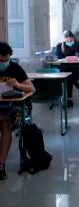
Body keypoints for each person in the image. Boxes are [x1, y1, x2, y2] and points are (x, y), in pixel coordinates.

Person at [0, 42, 35, 180]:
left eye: (6, 60)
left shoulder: (14, 68)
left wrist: (17, 84)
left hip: (14, 108)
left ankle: (1, 165)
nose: (4, 63)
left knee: (5, 122)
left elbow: (32, 89)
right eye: (1, 61)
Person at [55, 30, 79, 107]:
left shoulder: (78, 45)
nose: (70, 42)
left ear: (74, 39)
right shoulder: (59, 46)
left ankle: (70, 100)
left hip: (78, 70)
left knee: (68, 76)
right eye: (68, 40)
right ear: (63, 40)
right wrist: (65, 59)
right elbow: (58, 58)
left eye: (71, 40)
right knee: (67, 74)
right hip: (65, 69)